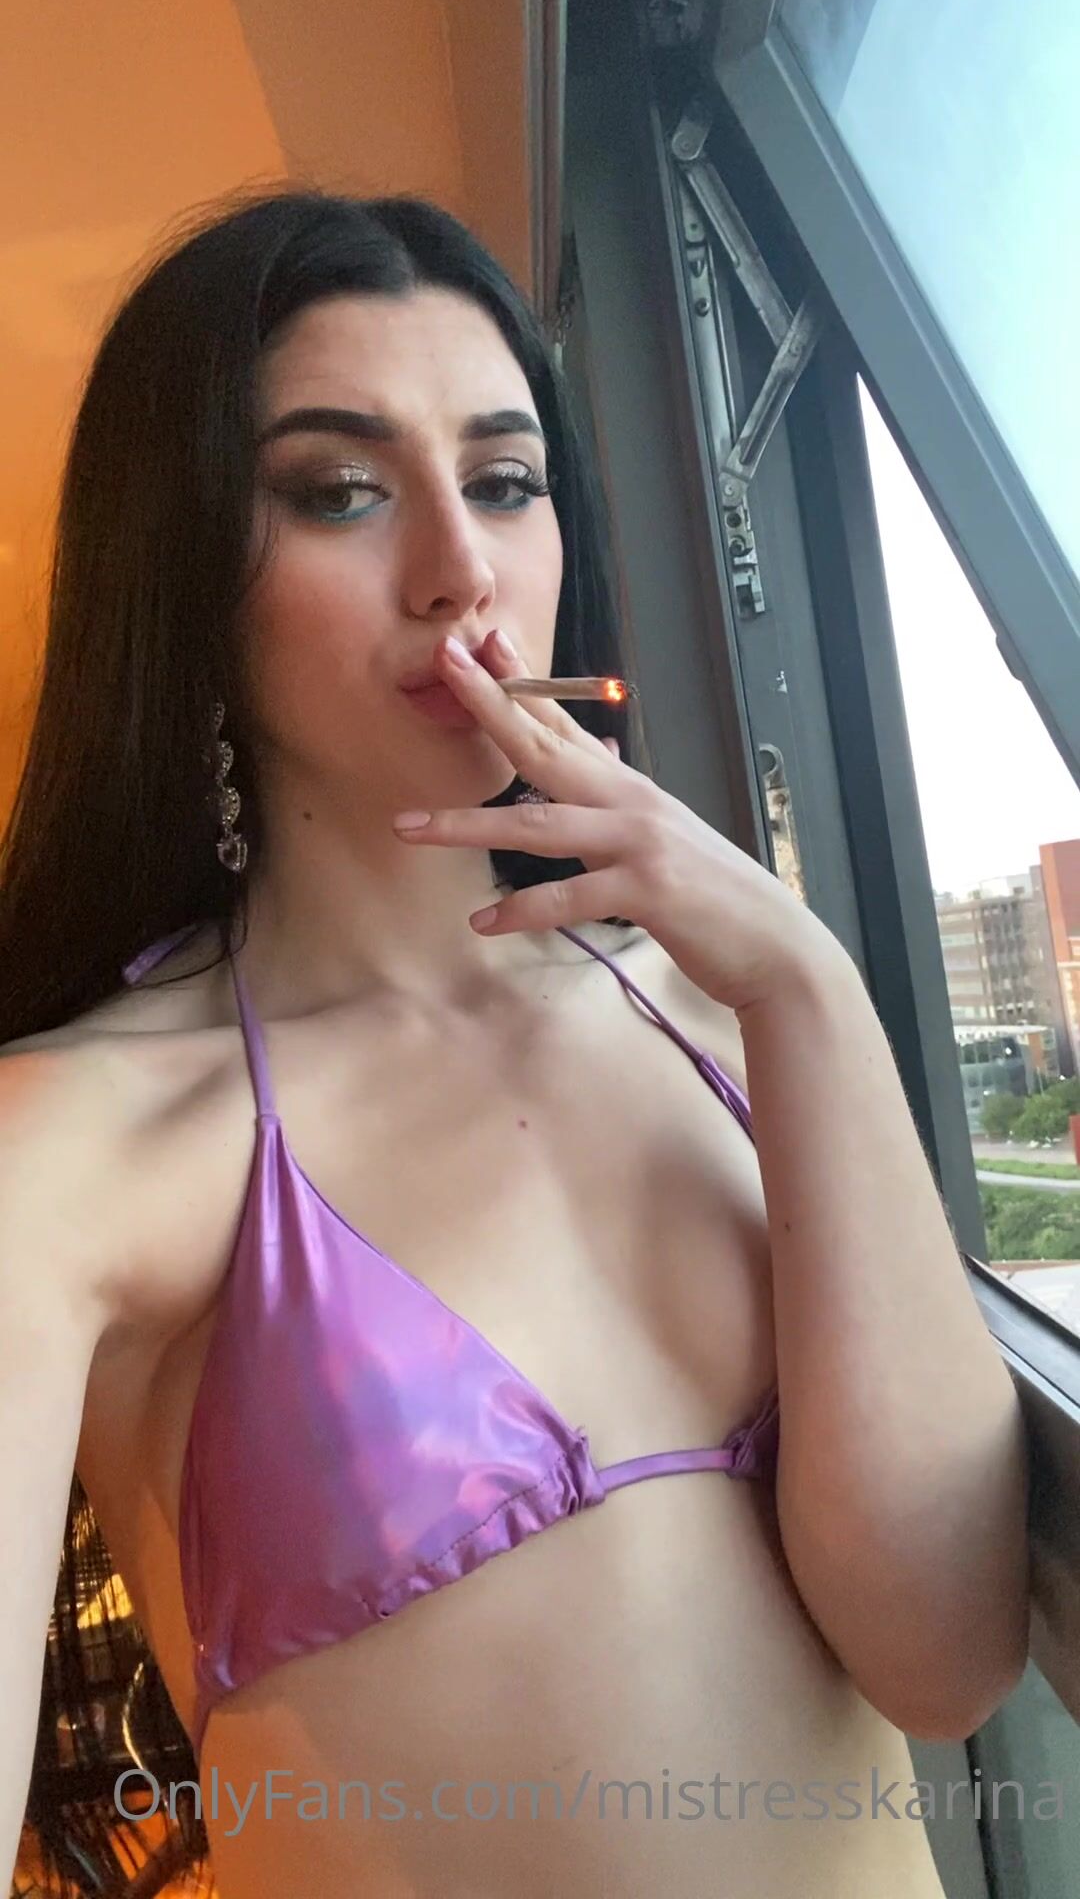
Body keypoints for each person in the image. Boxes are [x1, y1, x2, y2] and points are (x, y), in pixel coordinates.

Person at [0, 185, 1028, 1899]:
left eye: (503, 480)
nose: (460, 571)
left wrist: (808, 984)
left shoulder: (722, 1017)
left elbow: (944, 1661)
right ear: (180, 572)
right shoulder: (76, 1149)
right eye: (339, 492)